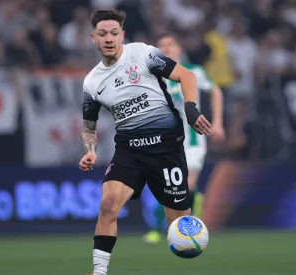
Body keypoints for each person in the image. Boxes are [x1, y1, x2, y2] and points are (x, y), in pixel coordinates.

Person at [79, 9, 212, 275]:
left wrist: (191, 108)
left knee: (181, 230)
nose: (109, 39)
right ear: (93, 38)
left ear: (122, 35)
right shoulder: (92, 82)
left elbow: (188, 76)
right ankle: (99, 271)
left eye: (114, 33)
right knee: (107, 204)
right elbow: (89, 126)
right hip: (130, 150)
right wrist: (90, 150)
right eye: (103, 34)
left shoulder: (142, 53)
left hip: (165, 149)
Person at [143, 33, 226, 244]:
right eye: (162, 45)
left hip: (192, 142)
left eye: (171, 44)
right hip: (165, 143)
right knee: (167, 187)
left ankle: (192, 222)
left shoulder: (194, 71)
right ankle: (158, 228)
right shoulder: (153, 77)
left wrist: (217, 123)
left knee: (184, 185)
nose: (167, 48)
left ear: (179, 48)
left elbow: (215, 91)